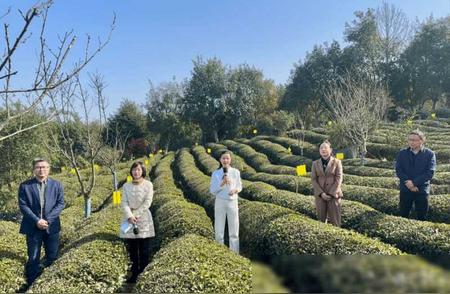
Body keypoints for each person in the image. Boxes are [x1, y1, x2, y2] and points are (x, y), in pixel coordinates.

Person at [18, 158, 65, 285]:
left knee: (52, 257)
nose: (41, 170)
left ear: (49, 169)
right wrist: (37, 220)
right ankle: (32, 283)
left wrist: (47, 220)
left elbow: (60, 204)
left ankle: (50, 284)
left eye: (44, 167)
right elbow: (23, 206)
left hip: (52, 226)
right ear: (34, 170)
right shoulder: (25, 186)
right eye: (38, 167)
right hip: (33, 227)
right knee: (33, 258)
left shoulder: (57, 185)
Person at [120, 161, 154, 283]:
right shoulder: (126, 186)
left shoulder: (148, 185)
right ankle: (134, 274)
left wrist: (135, 215)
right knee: (132, 249)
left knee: (144, 249)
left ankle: (144, 274)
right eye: (134, 169)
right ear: (131, 171)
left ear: (143, 171)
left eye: (139, 169)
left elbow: (148, 202)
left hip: (143, 218)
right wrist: (129, 215)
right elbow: (124, 202)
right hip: (129, 220)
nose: (136, 172)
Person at [395, 130, 436, 221]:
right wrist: (408, 183)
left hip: (421, 189)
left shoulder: (429, 154)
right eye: (410, 139)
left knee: (422, 216)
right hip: (405, 189)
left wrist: (414, 183)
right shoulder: (402, 153)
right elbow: (399, 170)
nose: (411, 142)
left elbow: (430, 172)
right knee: (403, 215)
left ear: (422, 141)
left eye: (414, 140)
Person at [209, 150, 242, 254]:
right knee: (219, 230)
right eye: (223, 158)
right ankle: (220, 253)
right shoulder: (216, 173)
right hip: (220, 202)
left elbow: (239, 186)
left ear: (230, 160)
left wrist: (235, 190)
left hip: (233, 202)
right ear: (220, 160)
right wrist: (221, 184)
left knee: (234, 231)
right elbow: (212, 190)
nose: (225, 160)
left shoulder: (236, 172)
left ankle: (235, 253)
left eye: (227, 158)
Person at [311, 141, 343, 227]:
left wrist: (331, 193)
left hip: (334, 195)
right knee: (321, 221)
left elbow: (339, 178)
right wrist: (321, 193)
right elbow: (314, 180)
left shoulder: (337, 162)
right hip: (320, 195)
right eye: (321, 148)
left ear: (331, 150)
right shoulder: (315, 163)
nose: (323, 149)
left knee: (335, 221)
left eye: (325, 148)